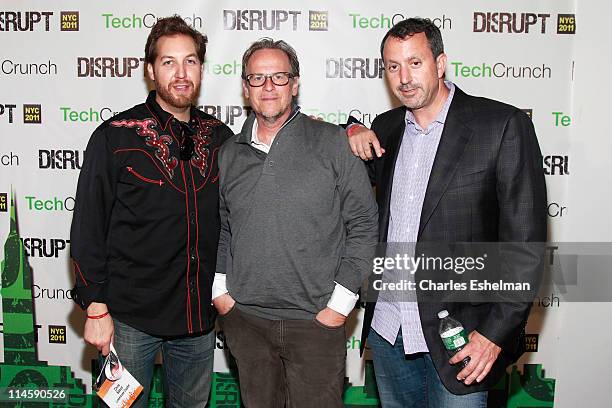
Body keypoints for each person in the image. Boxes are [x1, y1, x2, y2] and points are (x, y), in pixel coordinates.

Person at [345, 18, 547, 407]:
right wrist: (349, 130)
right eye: (392, 66)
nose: (404, 78)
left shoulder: (501, 126)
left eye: (415, 63)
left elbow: (525, 246)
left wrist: (493, 335)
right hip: (389, 331)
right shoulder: (386, 128)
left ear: (440, 63)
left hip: (462, 339)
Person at [69, 16, 233, 407]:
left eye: (190, 61)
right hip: (129, 319)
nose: (181, 73)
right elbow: (88, 227)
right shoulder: (116, 136)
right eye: (168, 62)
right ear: (149, 69)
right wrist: (95, 308)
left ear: (201, 68)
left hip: (197, 321)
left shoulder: (221, 138)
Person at [212, 38, 378, 408]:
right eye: (257, 78)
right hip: (247, 321)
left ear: (296, 84)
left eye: (279, 77)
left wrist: (339, 305)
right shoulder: (229, 154)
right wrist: (220, 294)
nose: (268, 87)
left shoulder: (334, 143)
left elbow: (365, 226)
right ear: (245, 87)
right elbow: (224, 228)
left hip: (316, 325)